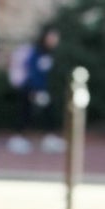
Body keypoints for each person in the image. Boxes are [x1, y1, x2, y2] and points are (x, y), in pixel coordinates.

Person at [8, 23, 63, 154]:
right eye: (51, 38)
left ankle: (47, 137)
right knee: (26, 113)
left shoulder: (47, 53)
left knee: (43, 112)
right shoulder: (36, 52)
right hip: (30, 88)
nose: (54, 41)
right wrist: (35, 90)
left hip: (37, 88)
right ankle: (19, 138)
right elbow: (33, 72)